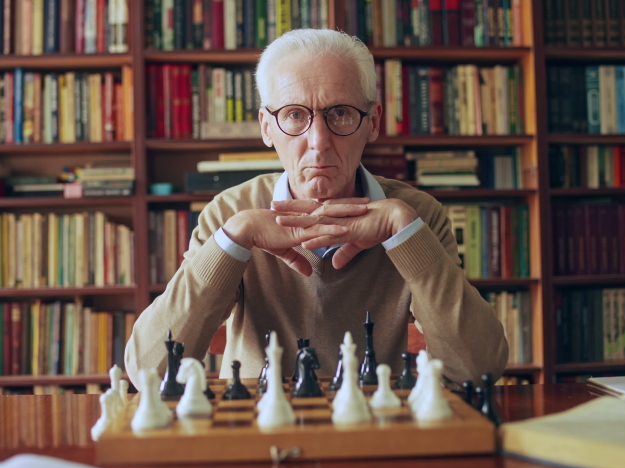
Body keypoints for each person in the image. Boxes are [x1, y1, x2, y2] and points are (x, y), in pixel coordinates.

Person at [125, 29, 508, 388]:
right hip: (256, 428)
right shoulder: (228, 212)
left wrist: (406, 230)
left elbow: (478, 371)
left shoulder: (418, 214)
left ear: (372, 122)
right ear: (266, 127)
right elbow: (149, 372)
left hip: (374, 425)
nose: (319, 142)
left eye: (340, 113)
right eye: (294, 115)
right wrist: (235, 237)